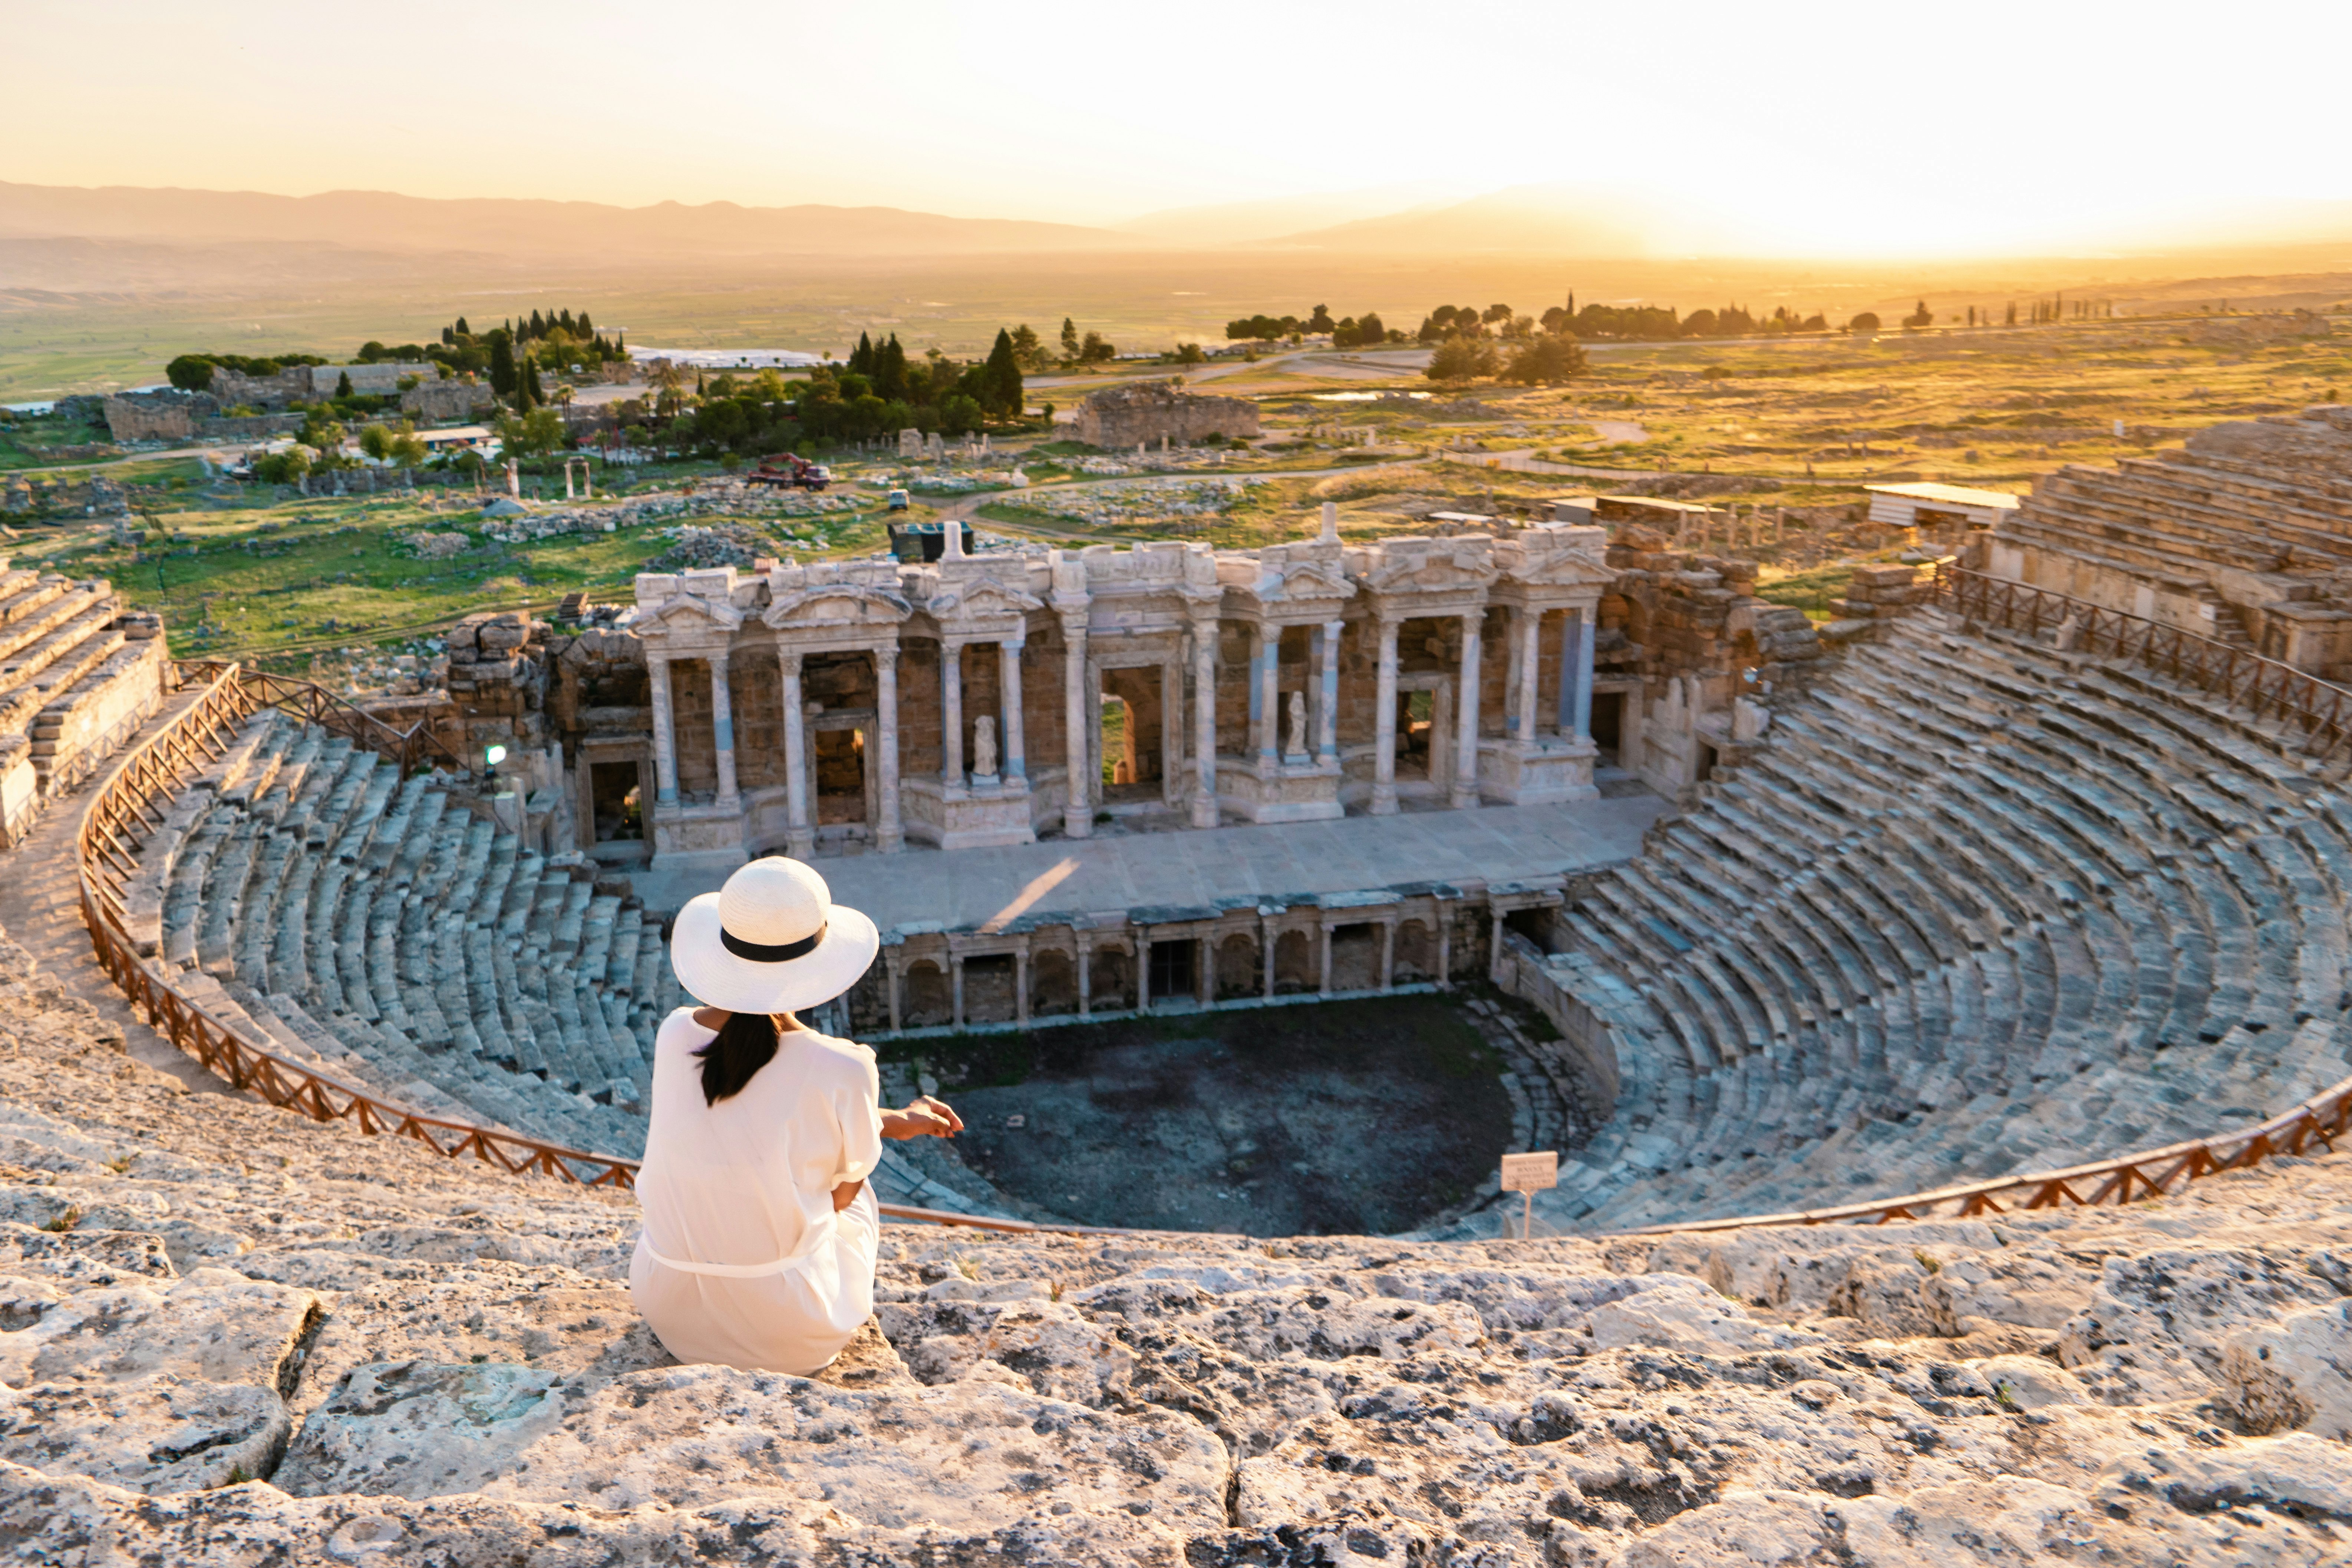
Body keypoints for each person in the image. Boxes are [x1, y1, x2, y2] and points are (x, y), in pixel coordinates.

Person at [630, 856, 963, 1374]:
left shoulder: (674, 1033)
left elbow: (754, 1113)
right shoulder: (844, 1064)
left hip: (669, 1307)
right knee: (859, 1190)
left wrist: (890, 1118)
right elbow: (838, 1197)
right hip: (786, 1329)